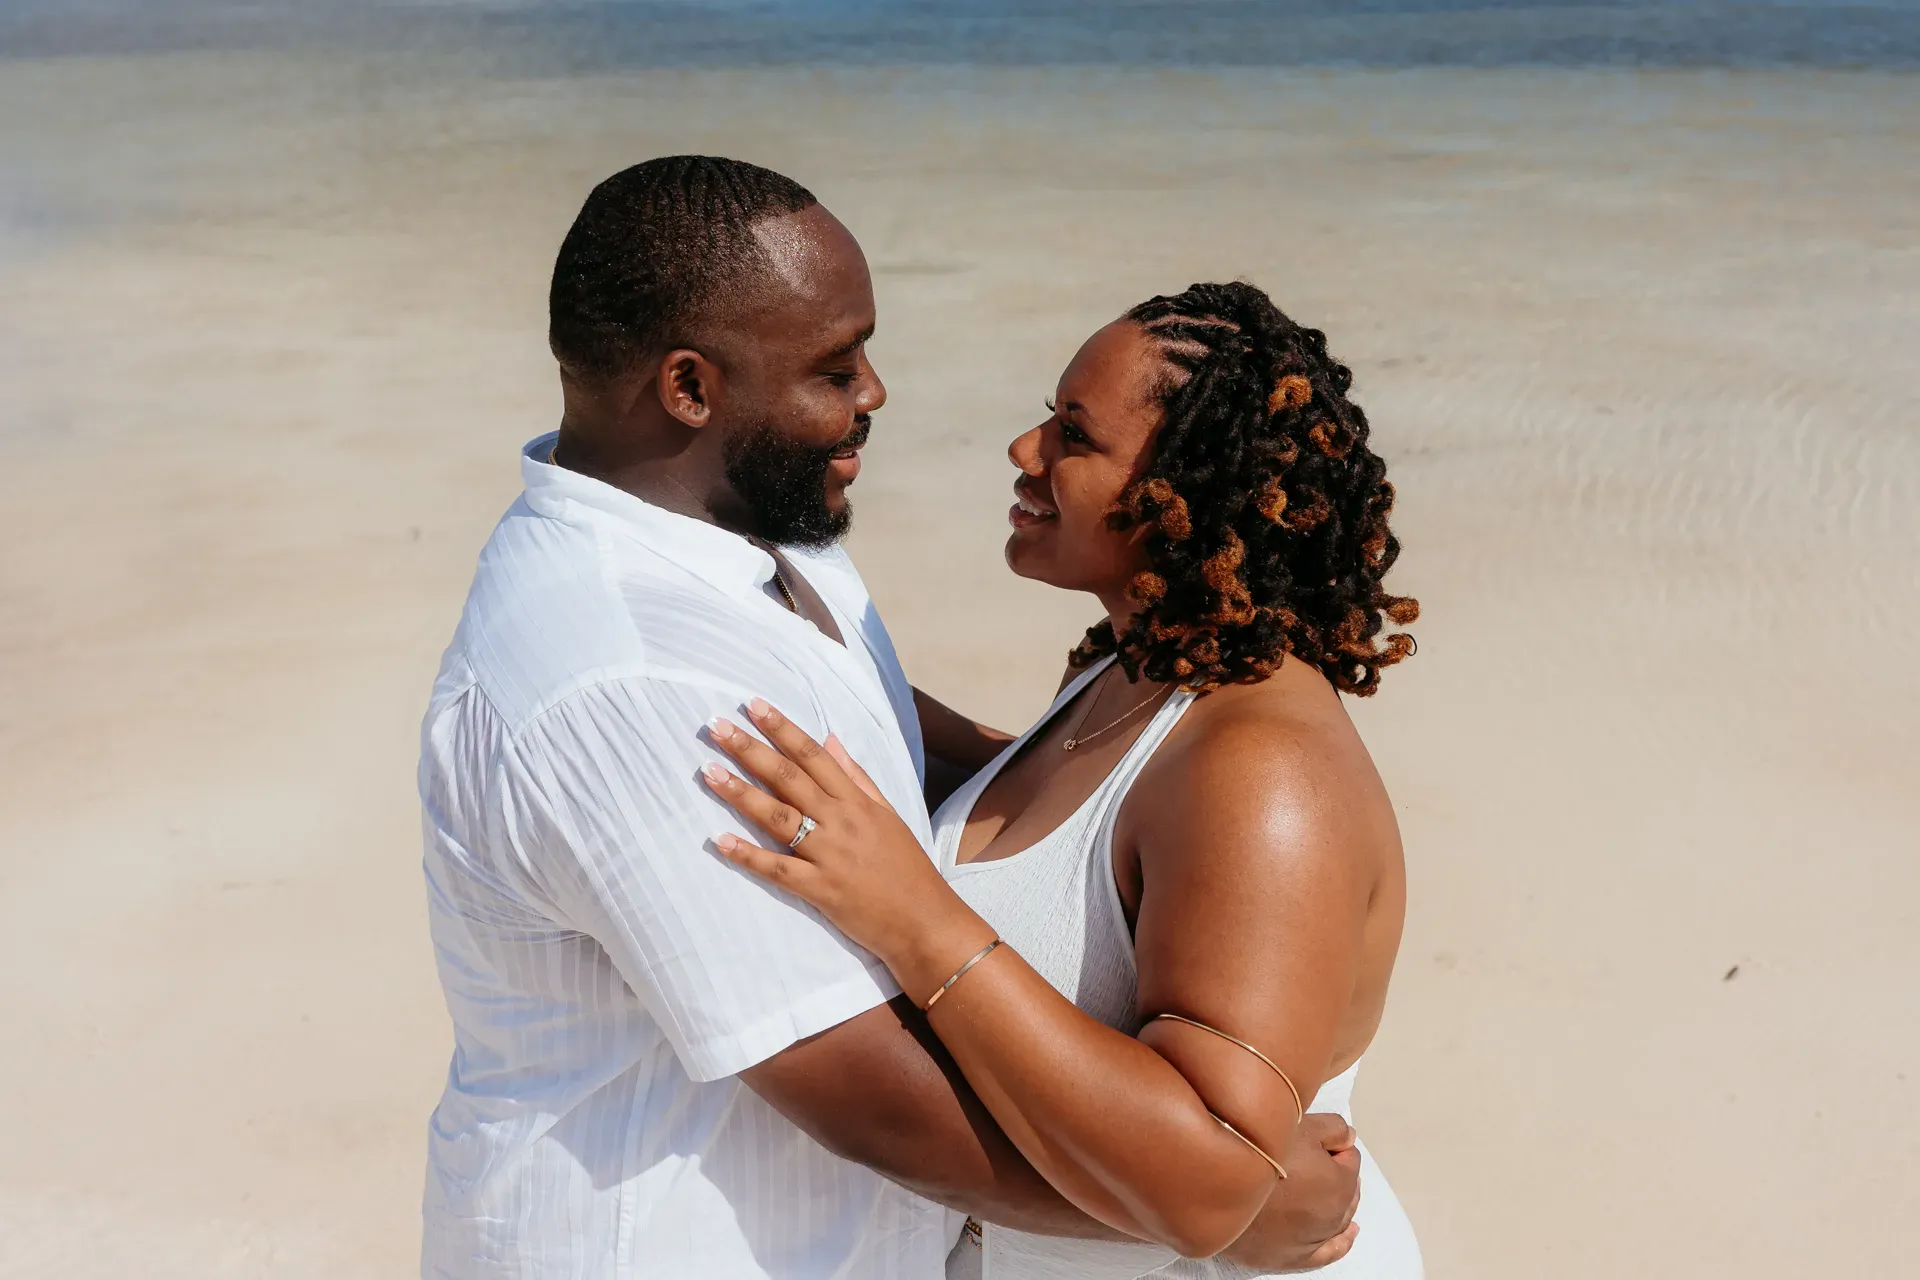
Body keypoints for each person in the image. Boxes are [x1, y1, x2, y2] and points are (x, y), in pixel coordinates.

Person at [417, 156, 1362, 1278]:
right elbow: (879, 1101)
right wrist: (1222, 1202)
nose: (875, 391)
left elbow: (941, 760)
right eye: (832, 366)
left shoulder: (759, 540)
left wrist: (1208, 1175)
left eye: (1074, 431)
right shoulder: (639, 682)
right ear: (689, 387)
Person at [698, 281, 1426, 1277]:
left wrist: (917, 918)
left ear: (1192, 491)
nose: (1025, 450)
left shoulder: (1267, 774)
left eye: (1072, 435)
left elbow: (1215, 1177)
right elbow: (1052, 819)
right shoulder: (1133, 671)